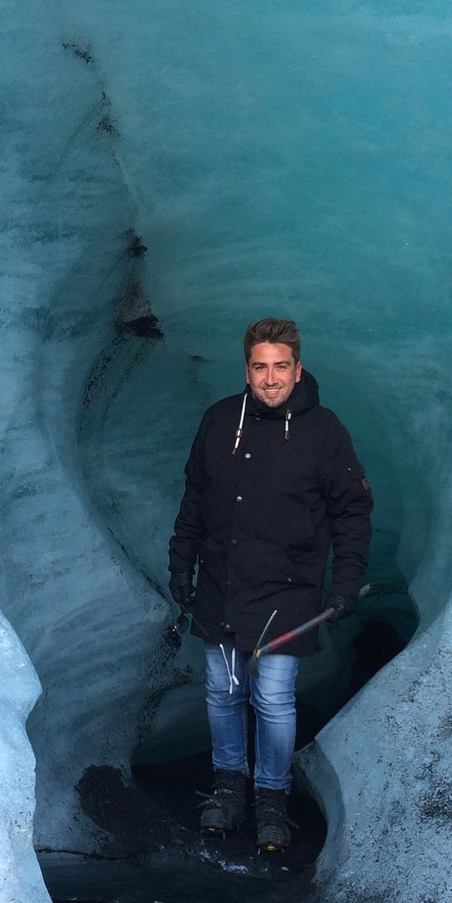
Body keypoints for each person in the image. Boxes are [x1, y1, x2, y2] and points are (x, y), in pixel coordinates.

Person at [168, 317, 373, 851]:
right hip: (224, 581)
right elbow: (194, 501)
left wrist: (346, 580)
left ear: (298, 369)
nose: (271, 377)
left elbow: (352, 510)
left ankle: (272, 799)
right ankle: (229, 787)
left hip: (288, 591)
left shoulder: (323, 431)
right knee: (224, 691)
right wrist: (180, 564)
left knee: (274, 699)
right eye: (261, 367)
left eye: (281, 366)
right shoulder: (219, 422)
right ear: (247, 370)